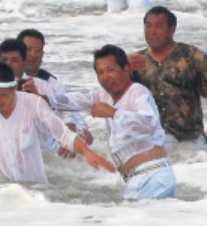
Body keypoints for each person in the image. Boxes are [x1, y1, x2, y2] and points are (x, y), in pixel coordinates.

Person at [60, 46, 175, 201]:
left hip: (152, 176)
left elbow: (148, 125)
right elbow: (69, 101)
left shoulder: (137, 92)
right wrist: (41, 95)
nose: (105, 77)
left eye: (110, 70)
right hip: (136, 179)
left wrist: (113, 113)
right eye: (100, 72)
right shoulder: (103, 96)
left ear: (126, 69)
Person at [127, 6, 207, 144]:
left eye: (158, 26)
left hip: (189, 143)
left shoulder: (191, 56)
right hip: (151, 140)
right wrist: (124, 70)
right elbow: (115, 95)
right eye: (148, 26)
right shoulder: (136, 61)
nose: (152, 32)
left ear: (172, 29)